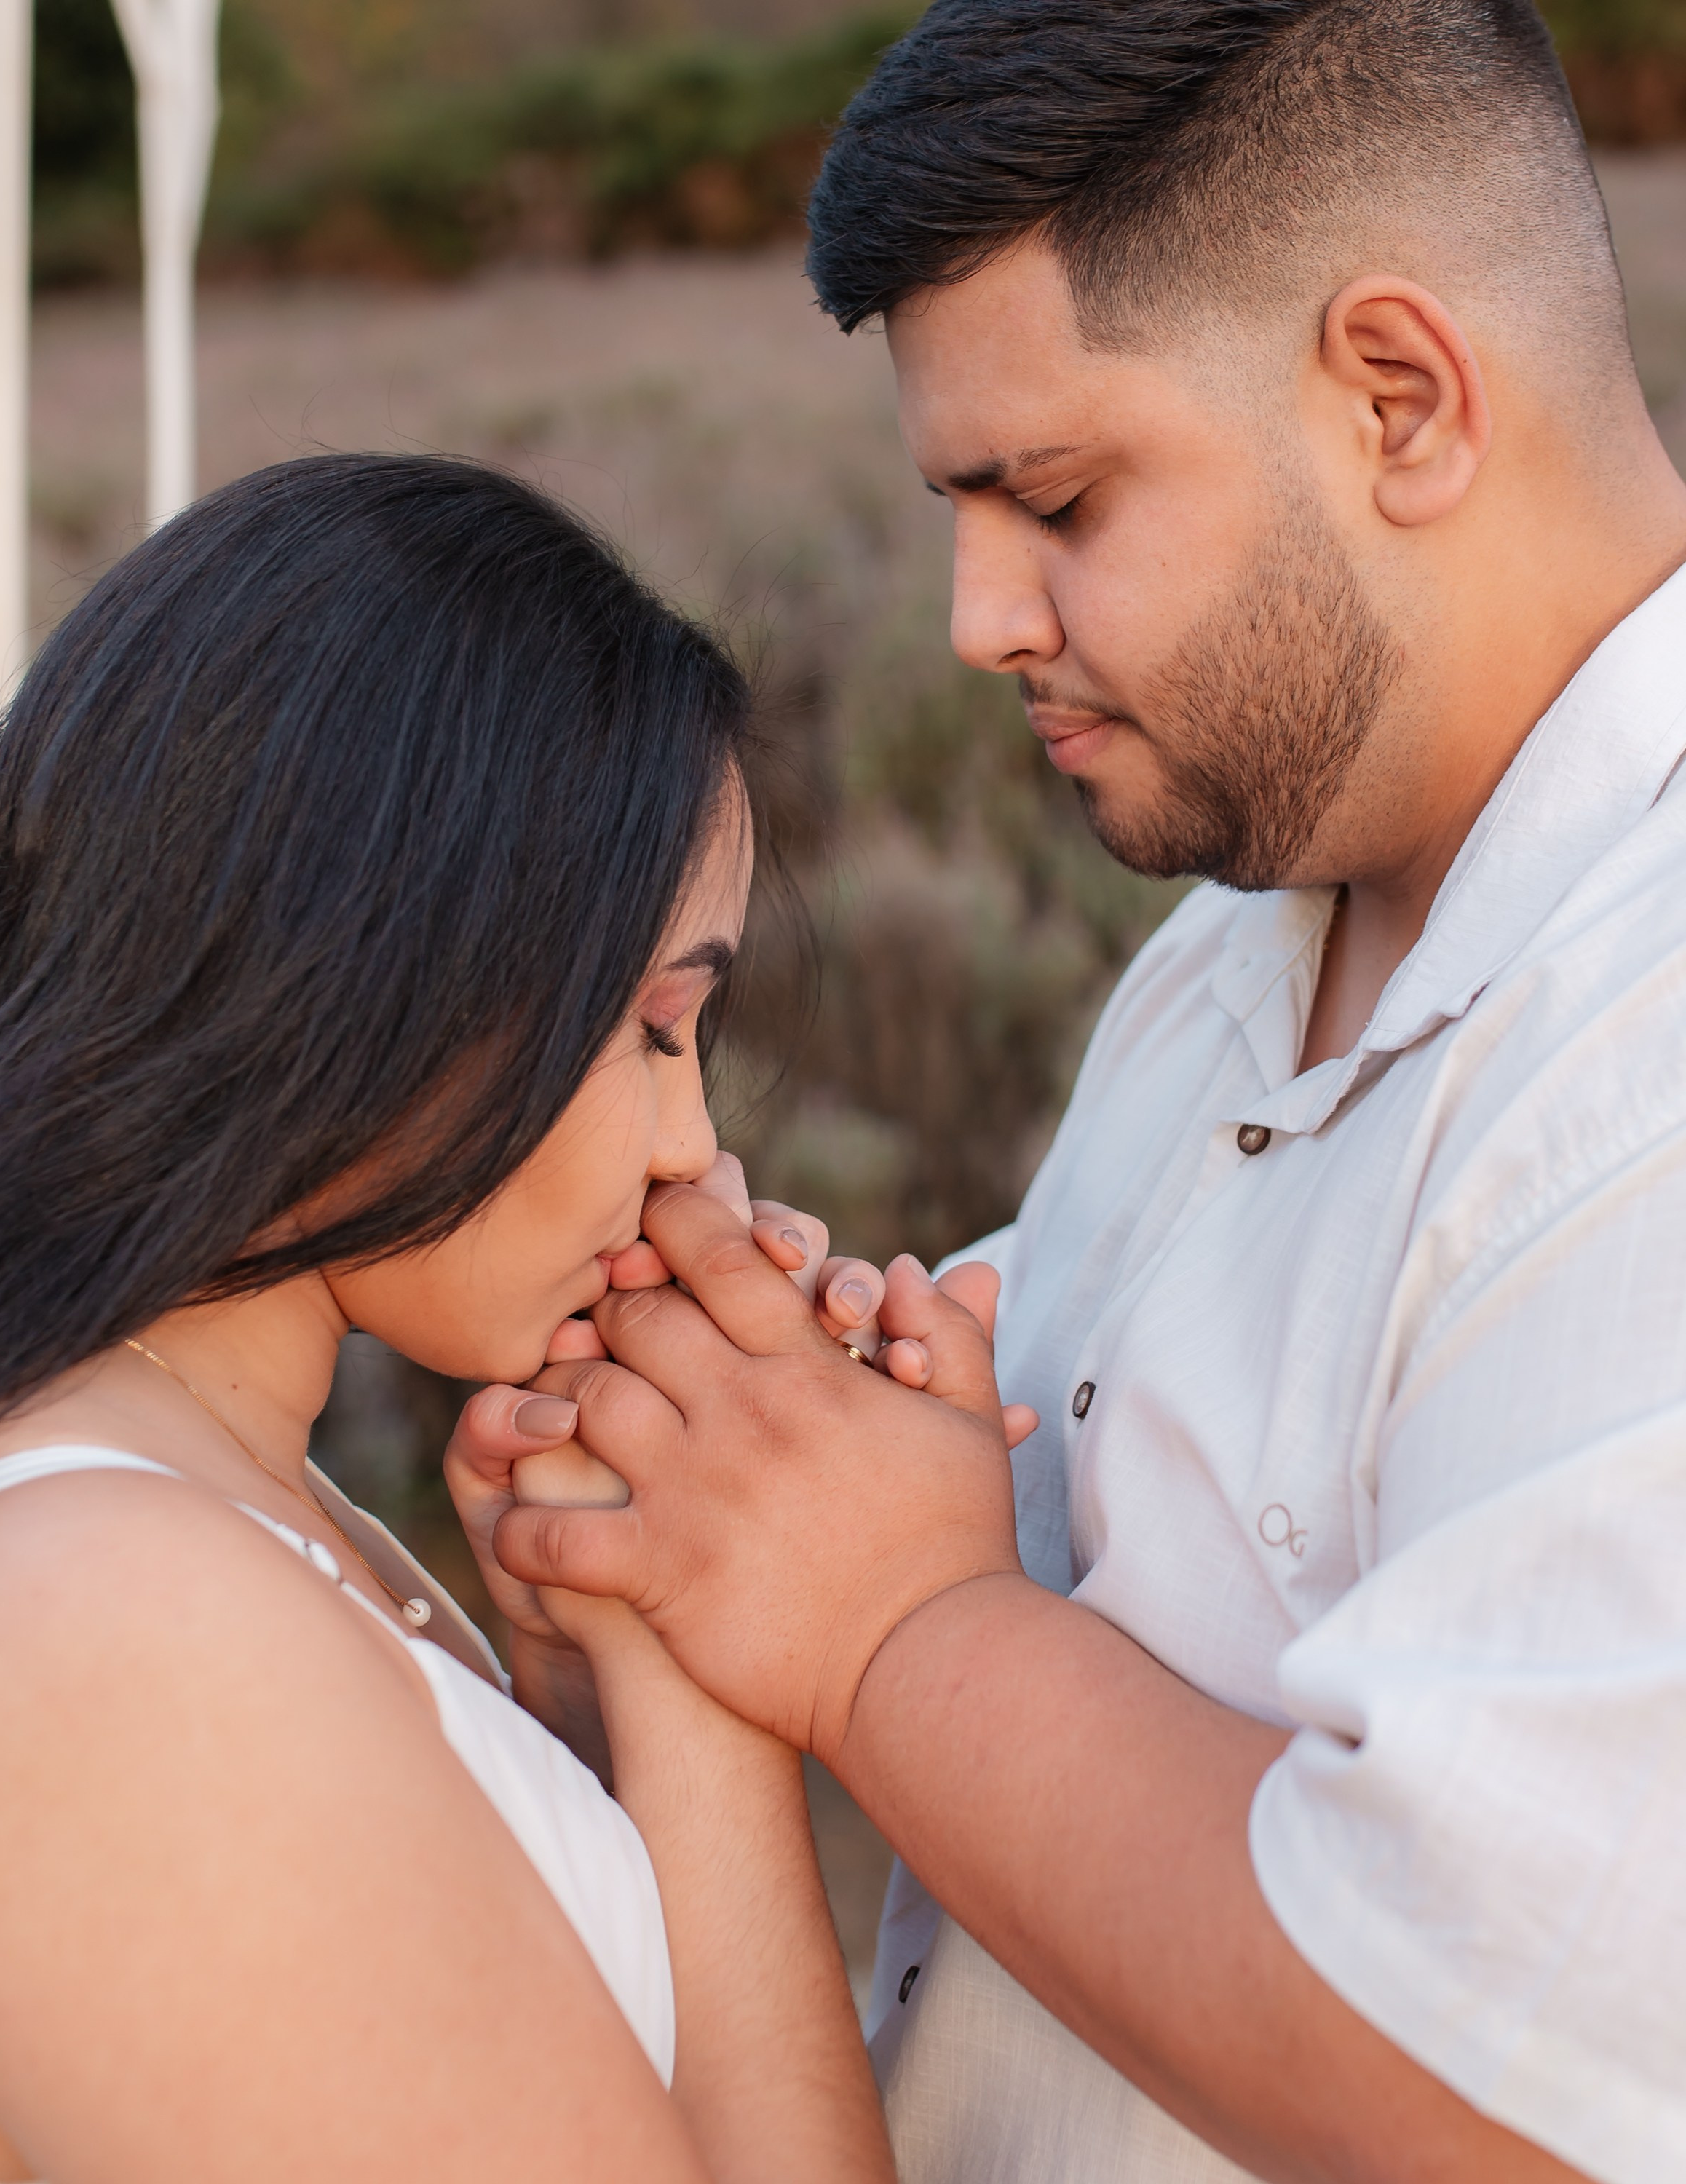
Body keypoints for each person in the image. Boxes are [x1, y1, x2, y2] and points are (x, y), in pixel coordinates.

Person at [474, 2, 1686, 2179]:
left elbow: (1496, 2083)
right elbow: (1027, 1620)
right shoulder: (1238, 940)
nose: (971, 620)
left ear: (1399, 400)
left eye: (1052, 497)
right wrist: (680, 1510)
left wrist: (881, 1625)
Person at [0, 452, 898, 2184]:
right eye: (656, 1031)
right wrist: (704, 1697)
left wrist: (616, 1648)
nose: (695, 1146)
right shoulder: (120, 1621)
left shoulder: (230, 1514)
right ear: (383, 964)